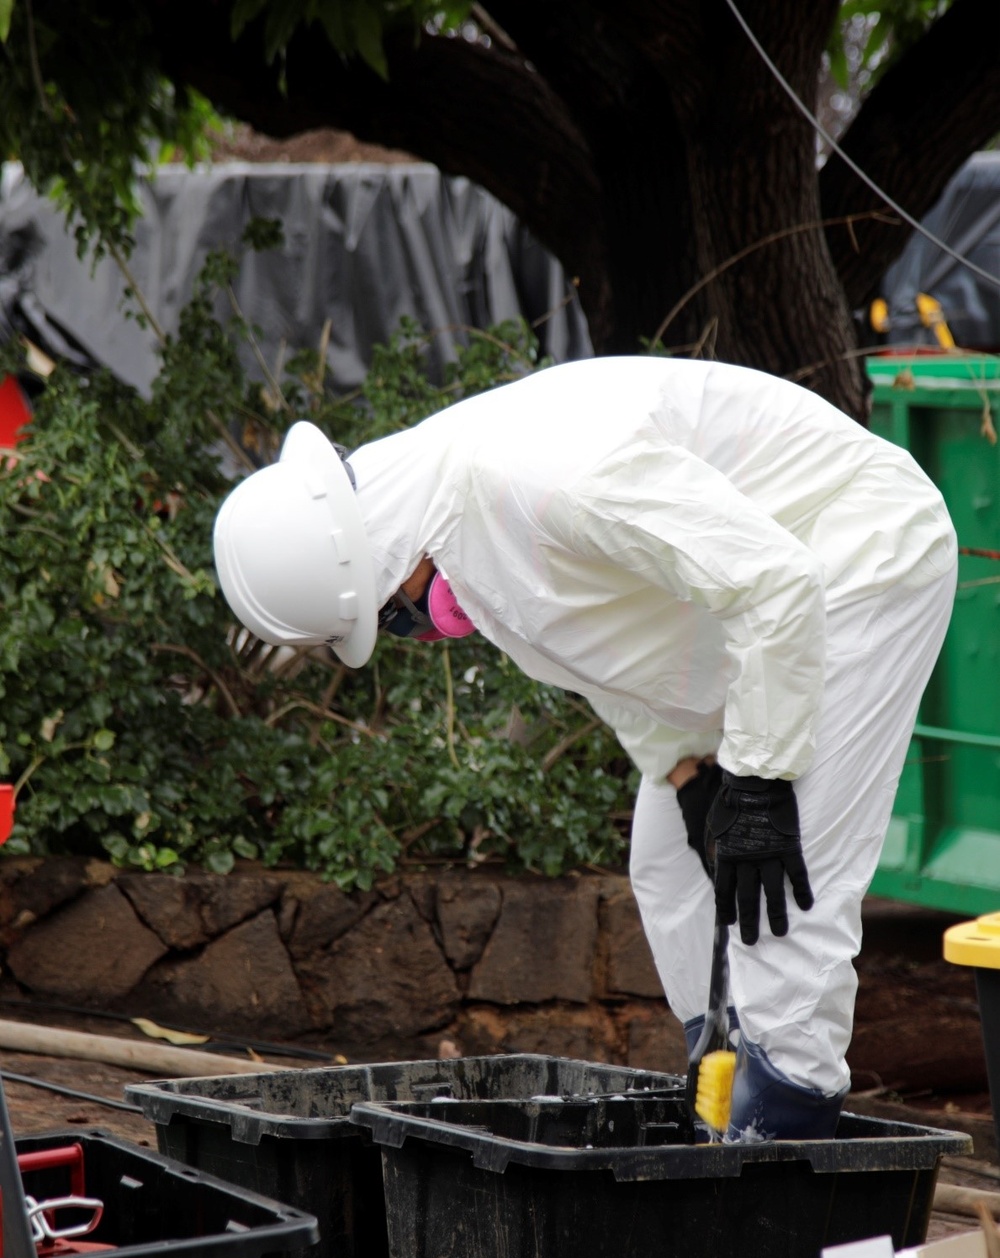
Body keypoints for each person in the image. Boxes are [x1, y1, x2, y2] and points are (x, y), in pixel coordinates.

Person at [213, 356, 957, 1140]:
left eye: (393, 618)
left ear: (384, 561)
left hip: (860, 559)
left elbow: (774, 578)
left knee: (782, 898)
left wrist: (762, 779)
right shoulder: (452, 517)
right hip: (755, 615)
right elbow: (614, 651)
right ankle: (722, 1096)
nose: (412, 632)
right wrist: (688, 767)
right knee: (670, 862)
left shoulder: (538, 480)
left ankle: (781, 1139)